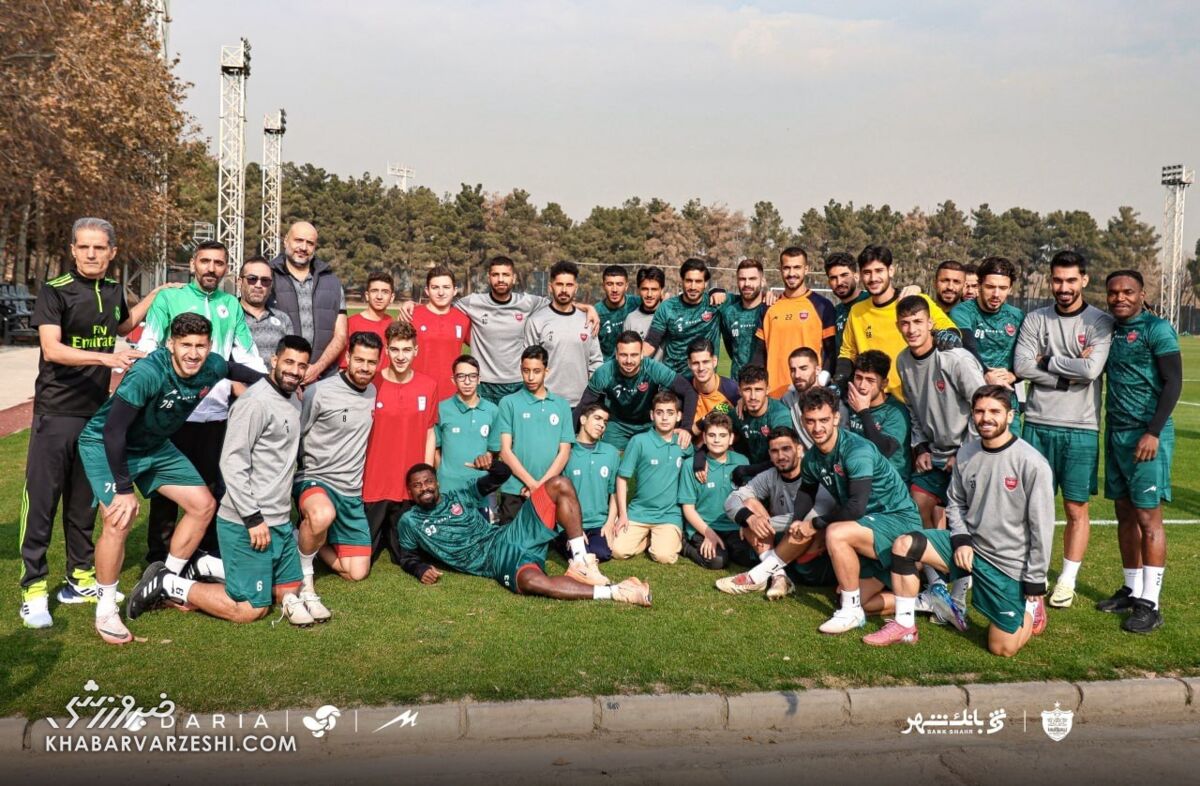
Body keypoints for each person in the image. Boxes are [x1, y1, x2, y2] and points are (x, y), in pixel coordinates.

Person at [19, 217, 169, 628]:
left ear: (112, 252)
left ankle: (79, 579)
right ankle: (33, 588)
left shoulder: (114, 289)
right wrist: (107, 358)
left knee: (83, 503)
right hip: (55, 411)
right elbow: (52, 349)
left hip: (95, 414)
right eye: (83, 247)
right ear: (72, 250)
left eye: (99, 248)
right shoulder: (54, 290)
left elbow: (122, 325)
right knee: (42, 502)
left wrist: (155, 295)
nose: (90, 254)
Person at [79, 313, 262, 644]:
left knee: (203, 505)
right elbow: (113, 431)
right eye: (185, 345)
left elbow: (236, 370)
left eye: (200, 346)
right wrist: (123, 489)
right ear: (171, 344)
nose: (193, 353)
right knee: (119, 519)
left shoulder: (212, 365)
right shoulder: (148, 373)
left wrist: (275, 382)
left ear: (209, 346)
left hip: (154, 445)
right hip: (108, 446)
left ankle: (166, 580)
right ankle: (105, 609)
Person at [126, 336, 317, 628]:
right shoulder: (254, 402)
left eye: (301, 366)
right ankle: (168, 583)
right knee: (251, 609)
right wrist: (253, 518)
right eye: (288, 362)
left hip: (278, 519)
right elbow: (232, 463)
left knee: (287, 591)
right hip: (248, 520)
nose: (294, 370)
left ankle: (205, 565)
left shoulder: (291, 398)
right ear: (274, 360)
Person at [868, 386, 1052, 653]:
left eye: (994, 412)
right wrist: (963, 539)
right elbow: (955, 502)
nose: (986, 418)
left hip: (1006, 562)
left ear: (1010, 416)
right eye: (979, 411)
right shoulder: (966, 453)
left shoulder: (1032, 463)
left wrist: (1035, 578)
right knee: (904, 545)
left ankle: (1029, 608)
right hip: (967, 548)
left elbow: (1042, 527)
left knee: (1002, 649)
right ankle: (905, 626)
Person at [136, 239, 267, 564]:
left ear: (226, 269)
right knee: (167, 491)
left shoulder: (231, 305)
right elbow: (148, 346)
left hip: (214, 416)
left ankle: (203, 557)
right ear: (193, 263)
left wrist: (272, 386)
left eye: (218, 263)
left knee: (210, 488)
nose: (211, 268)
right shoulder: (169, 298)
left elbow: (247, 355)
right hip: (172, 414)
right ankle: (158, 560)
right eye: (205, 261)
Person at [1013, 250, 1114, 609]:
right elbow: (1021, 366)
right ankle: (1034, 572)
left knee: (1075, 508)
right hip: (1037, 423)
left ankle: (1067, 580)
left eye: (1071, 280)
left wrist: (1047, 360)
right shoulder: (1035, 319)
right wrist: (1061, 377)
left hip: (1081, 427)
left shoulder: (1100, 322)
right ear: (1051, 280)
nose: (1064, 287)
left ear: (1084, 280)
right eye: (1058, 280)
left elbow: (1091, 370)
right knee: (1031, 506)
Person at [396, 463, 651, 604]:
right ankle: (617, 592)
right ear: (410, 492)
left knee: (559, 484)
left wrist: (491, 465)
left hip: (507, 535)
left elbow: (501, 475)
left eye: (428, 481)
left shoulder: (459, 495)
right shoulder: (410, 521)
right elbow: (406, 556)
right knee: (531, 582)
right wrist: (419, 569)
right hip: (496, 561)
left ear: (437, 483)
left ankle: (581, 562)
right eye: (417, 485)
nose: (424, 488)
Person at [786, 387, 929, 635]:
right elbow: (807, 490)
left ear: (836, 418)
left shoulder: (856, 450)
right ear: (802, 420)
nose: (817, 427)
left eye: (823, 420)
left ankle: (850, 611)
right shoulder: (812, 458)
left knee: (835, 533)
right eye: (810, 421)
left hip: (897, 520)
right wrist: (797, 519)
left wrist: (813, 524)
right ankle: (922, 601)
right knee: (855, 597)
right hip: (868, 524)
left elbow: (855, 507)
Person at [1099, 270, 1181, 633]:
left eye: (1128, 292)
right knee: (1124, 513)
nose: (1120, 297)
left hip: (1147, 437)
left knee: (1149, 519)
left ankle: (1151, 603)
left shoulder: (1156, 329)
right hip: (1116, 433)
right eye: (1113, 292)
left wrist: (1153, 431)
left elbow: (1173, 382)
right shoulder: (1109, 329)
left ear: (1141, 294)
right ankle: (1132, 590)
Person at [412, 256, 595, 404]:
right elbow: (440, 304)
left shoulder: (528, 302)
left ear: (513, 278)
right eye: (496, 274)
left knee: (513, 434)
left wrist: (586, 308)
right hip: (483, 383)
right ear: (489, 277)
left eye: (506, 275)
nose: (501, 279)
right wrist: (411, 305)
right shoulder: (472, 302)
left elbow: (559, 302)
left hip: (517, 382)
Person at [293, 332, 384, 622]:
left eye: (371, 362)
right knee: (322, 514)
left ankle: (302, 538)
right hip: (316, 478)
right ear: (347, 358)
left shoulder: (373, 393)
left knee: (356, 572)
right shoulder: (319, 392)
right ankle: (305, 579)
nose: (365, 367)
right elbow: (296, 435)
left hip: (351, 490)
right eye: (359, 360)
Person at [895, 295, 986, 530]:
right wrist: (921, 446)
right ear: (897, 326)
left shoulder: (955, 359)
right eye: (905, 323)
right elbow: (913, 408)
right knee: (917, 506)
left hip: (970, 451)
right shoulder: (902, 361)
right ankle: (933, 555)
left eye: (917, 321)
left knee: (966, 522)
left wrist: (965, 452)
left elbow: (983, 407)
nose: (911, 329)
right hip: (935, 455)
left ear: (930, 323)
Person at [715, 425, 836, 598]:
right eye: (774, 451)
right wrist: (749, 518)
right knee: (748, 504)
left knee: (804, 526)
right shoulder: (770, 475)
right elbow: (732, 499)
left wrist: (759, 523)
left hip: (810, 556)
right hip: (780, 544)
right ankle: (779, 576)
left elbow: (813, 517)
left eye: (786, 449)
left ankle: (756, 576)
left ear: (799, 450)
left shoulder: (817, 475)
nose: (781, 456)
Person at [836, 244, 958, 403]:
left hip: (914, 400)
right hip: (875, 402)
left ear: (891, 271)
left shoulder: (915, 301)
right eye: (867, 272)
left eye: (879, 271)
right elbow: (848, 352)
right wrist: (839, 381)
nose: (873, 278)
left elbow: (948, 328)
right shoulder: (857, 311)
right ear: (860, 275)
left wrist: (949, 335)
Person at [362, 321, 438, 564]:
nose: (401, 356)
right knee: (363, 556)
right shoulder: (371, 384)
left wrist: (427, 477)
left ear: (416, 350)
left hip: (408, 488)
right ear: (386, 350)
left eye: (406, 350)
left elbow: (429, 432)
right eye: (395, 349)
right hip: (374, 485)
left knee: (407, 555)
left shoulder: (429, 386)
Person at [492, 345, 575, 524]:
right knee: (511, 538)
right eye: (526, 371)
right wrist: (531, 484)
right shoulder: (508, 403)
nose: (530, 377)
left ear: (547, 371)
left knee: (546, 538)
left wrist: (541, 486)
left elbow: (564, 452)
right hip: (515, 488)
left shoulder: (561, 405)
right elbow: (505, 451)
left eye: (536, 371)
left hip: (549, 488)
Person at [576, 330, 697, 450]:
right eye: (623, 355)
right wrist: (569, 438)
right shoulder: (605, 372)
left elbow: (688, 391)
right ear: (616, 355)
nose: (629, 361)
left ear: (642, 354)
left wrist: (686, 428)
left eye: (634, 355)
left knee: (655, 457)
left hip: (648, 424)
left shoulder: (653, 368)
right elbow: (584, 404)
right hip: (617, 424)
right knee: (607, 456)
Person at [611, 391, 692, 563]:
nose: (665, 418)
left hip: (669, 514)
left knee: (664, 556)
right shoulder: (639, 441)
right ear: (652, 415)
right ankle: (648, 539)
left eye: (670, 413)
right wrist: (623, 514)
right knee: (617, 551)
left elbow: (697, 462)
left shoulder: (683, 442)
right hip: (639, 512)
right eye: (659, 412)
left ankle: (665, 538)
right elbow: (622, 478)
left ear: (678, 416)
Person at [950, 256, 1025, 434]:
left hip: (1005, 400)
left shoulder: (1017, 316)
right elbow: (967, 345)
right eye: (990, 287)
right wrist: (986, 373)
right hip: (968, 401)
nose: (996, 294)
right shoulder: (963, 311)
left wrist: (1014, 375)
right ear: (979, 285)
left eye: (1003, 288)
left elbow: (1028, 355)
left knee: (1009, 450)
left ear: (1010, 289)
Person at [268, 221, 348, 384]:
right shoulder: (267, 278)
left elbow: (340, 335)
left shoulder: (332, 282)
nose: (303, 247)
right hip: (280, 380)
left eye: (310, 243)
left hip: (322, 379)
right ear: (286, 241)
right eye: (298, 240)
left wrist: (317, 368)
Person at [754, 246, 837, 396]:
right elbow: (759, 354)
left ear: (806, 269)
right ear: (780, 270)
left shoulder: (822, 306)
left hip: (810, 394)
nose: (792, 273)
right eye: (787, 268)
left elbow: (831, 351)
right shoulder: (769, 307)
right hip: (774, 395)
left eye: (797, 267)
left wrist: (822, 381)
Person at [523, 260, 603, 406]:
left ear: (576, 288)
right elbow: (528, 364)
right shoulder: (536, 321)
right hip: (546, 401)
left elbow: (596, 362)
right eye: (559, 284)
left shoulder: (588, 321)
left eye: (569, 285)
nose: (564, 289)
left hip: (580, 403)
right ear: (550, 287)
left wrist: (592, 396)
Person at [678, 413, 750, 570]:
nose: (717, 440)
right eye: (712, 435)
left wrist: (745, 524)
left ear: (731, 438)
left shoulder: (742, 461)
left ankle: (730, 549)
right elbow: (688, 508)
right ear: (704, 437)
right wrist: (708, 533)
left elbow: (749, 499)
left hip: (734, 528)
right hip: (703, 526)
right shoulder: (691, 465)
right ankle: (683, 545)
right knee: (717, 561)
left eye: (722, 435)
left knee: (749, 557)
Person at [643, 258, 724, 375]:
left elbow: (743, 299)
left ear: (706, 283)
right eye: (689, 281)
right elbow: (651, 342)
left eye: (698, 281)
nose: (693, 286)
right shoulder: (668, 307)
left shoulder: (715, 304)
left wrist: (719, 291)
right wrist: (632, 360)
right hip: (674, 379)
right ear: (682, 280)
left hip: (703, 378)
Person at [560, 403, 620, 562]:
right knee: (581, 556)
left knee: (602, 553)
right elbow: (558, 497)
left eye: (605, 422)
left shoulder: (611, 453)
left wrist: (609, 523)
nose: (602, 425)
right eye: (597, 418)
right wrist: (572, 528)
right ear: (583, 420)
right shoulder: (566, 450)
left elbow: (614, 491)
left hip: (598, 523)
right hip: (570, 522)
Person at [842, 350, 912, 485]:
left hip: (890, 485)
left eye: (870, 380)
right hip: (858, 480)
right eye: (858, 377)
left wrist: (863, 412)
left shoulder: (896, 412)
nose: (862, 386)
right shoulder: (848, 406)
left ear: (884, 383)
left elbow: (884, 450)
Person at [434, 355, 499, 494]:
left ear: (479, 379)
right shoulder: (441, 409)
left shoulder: (492, 410)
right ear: (453, 380)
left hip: (480, 486)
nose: (467, 382)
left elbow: (493, 450)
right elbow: (435, 449)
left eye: (472, 376)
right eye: (461, 376)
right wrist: (441, 475)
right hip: (448, 488)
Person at [411, 265, 471, 402]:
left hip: (453, 394)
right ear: (427, 291)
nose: (441, 292)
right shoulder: (412, 316)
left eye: (446, 287)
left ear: (454, 290)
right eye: (435, 287)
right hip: (418, 392)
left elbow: (482, 347)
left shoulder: (463, 319)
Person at [717, 258, 769, 381]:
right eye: (742, 279)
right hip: (737, 383)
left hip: (765, 383)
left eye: (752, 279)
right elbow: (730, 347)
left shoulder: (770, 310)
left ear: (762, 281)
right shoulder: (729, 313)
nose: (747, 284)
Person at [239, 255, 294, 369]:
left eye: (265, 281)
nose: (258, 285)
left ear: (271, 285)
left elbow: (290, 360)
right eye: (252, 279)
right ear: (240, 282)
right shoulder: (228, 315)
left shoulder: (283, 319)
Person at [731, 364, 792, 464]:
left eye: (758, 390)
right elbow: (713, 426)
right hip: (745, 467)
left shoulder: (780, 414)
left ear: (767, 390)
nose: (753, 397)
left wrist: (748, 470)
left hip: (774, 468)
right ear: (740, 391)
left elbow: (783, 454)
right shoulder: (737, 413)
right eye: (747, 390)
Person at [340, 270, 393, 383]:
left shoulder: (394, 325)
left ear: (392, 297)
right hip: (359, 386)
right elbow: (343, 365)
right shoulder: (350, 324)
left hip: (386, 385)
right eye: (374, 291)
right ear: (367, 295)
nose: (379, 296)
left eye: (385, 292)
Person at [686, 338, 740, 434]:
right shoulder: (683, 388)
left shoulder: (733, 391)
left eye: (705, 362)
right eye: (695, 363)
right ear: (689, 364)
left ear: (714, 361)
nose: (701, 368)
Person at [778, 347, 825, 448]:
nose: (797, 375)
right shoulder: (788, 399)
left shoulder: (831, 401)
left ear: (817, 370)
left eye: (803, 368)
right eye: (793, 370)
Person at [825, 252, 869, 357]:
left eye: (844, 275)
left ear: (856, 277)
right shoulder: (834, 313)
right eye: (833, 278)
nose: (839, 282)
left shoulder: (871, 300)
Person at [594, 264, 640, 358]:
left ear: (626, 286)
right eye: (609, 284)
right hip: (607, 364)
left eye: (619, 284)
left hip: (632, 362)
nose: (614, 289)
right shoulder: (596, 312)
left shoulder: (637, 303)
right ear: (603, 286)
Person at [623, 265, 666, 356]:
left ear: (662, 290)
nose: (649, 294)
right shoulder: (631, 319)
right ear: (638, 290)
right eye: (645, 289)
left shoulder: (670, 315)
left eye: (654, 289)